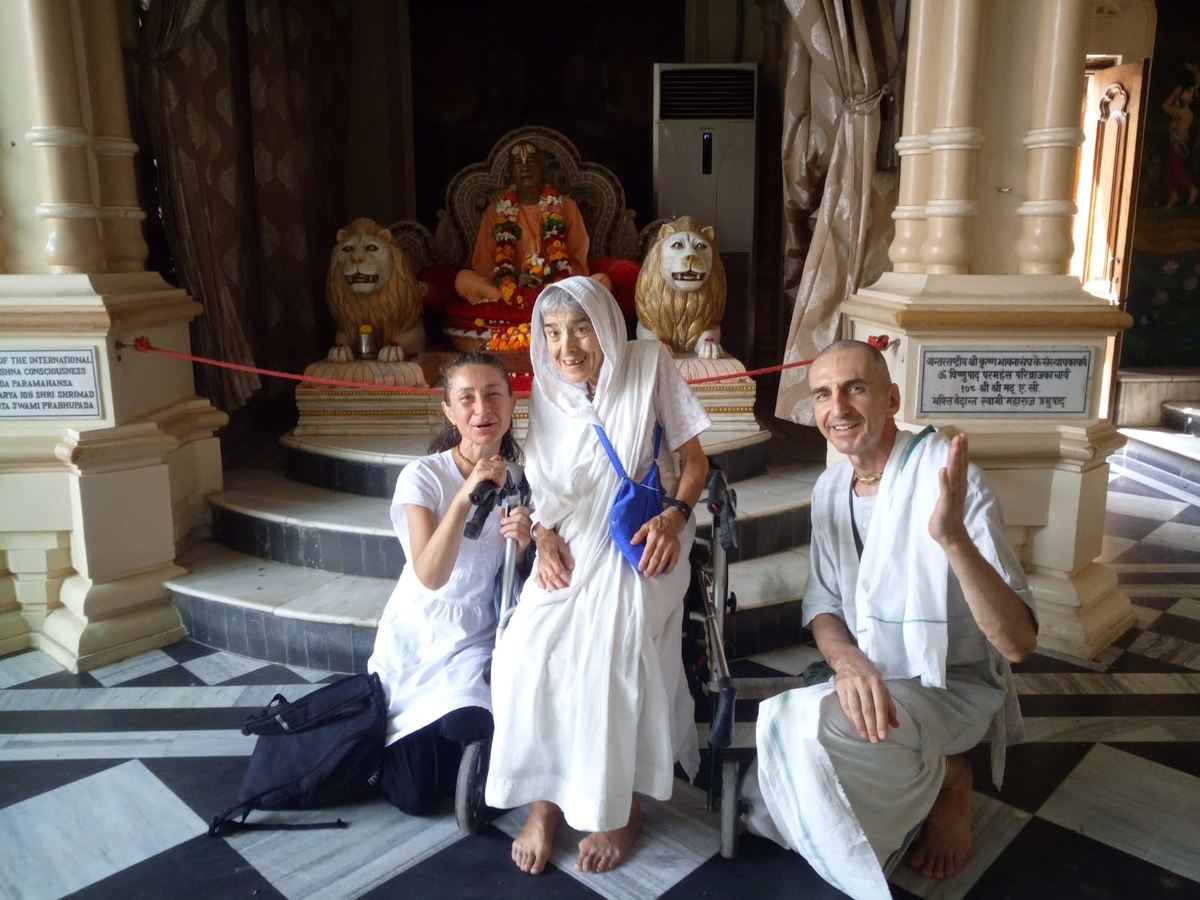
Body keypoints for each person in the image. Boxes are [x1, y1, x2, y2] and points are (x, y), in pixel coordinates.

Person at [743, 340, 1038, 900]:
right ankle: (923, 777)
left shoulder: (949, 482)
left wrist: (953, 539)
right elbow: (823, 605)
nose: (840, 408)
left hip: (952, 686)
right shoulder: (831, 488)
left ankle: (951, 777)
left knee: (813, 734)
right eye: (824, 395)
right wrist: (849, 661)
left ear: (891, 398)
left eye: (855, 387)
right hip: (875, 679)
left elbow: (1019, 644)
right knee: (772, 800)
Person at [484, 275, 710, 875]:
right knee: (524, 651)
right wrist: (545, 532)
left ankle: (621, 806)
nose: (568, 348)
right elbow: (544, 492)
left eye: (581, 328)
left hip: (644, 536)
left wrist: (676, 514)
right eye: (554, 334)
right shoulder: (549, 396)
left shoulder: (648, 363)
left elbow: (694, 459)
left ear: (606, 324)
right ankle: (545, 802)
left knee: (610, 651)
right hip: (573, 539)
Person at [367, 351, 532, 815]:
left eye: (493, 394)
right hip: (418, 635)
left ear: (512, 402)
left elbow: (509, 577)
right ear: (449, 410)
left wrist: (521, 548)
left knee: (470, 724)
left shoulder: (519, 479)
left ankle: (468, 744)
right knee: (414, 796)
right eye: (467, 398)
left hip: (477, 636)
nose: (483, 409)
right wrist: (464, 495)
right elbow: (431, 575)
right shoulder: (421, 477)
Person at [454, 140, 610, 310]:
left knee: (602, 281)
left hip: (555, 287)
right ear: (511, 173)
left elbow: (578, 262)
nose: (525, 168)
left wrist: (545, 275)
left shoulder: (567, 206)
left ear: (543, 170)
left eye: (532, 162)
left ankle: (532, 305)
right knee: (463, 279)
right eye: (517, 163)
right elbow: (484, 266)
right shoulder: (495, 211)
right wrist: (515, 279)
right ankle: (531, 305)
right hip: (510, 287)